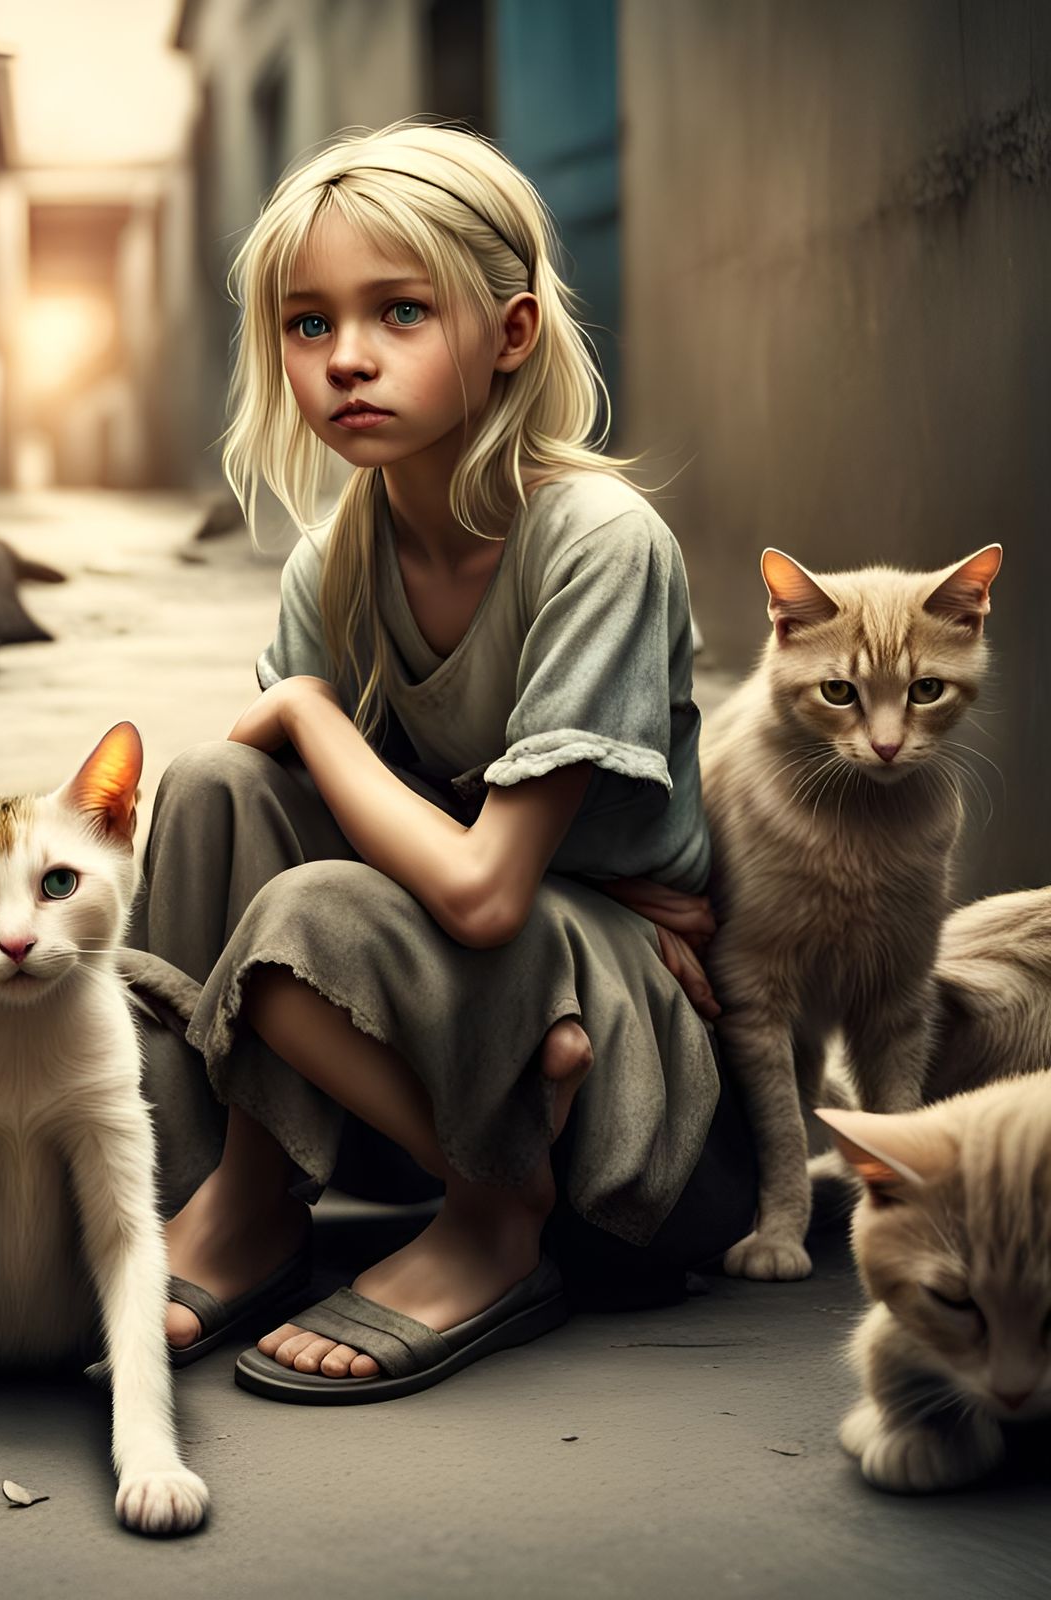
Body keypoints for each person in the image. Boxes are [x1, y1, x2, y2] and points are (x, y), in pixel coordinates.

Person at [130, 121, 756, 1404]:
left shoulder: (598, 540)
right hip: (443, 1034)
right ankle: (233, 1198)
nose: (347, 358)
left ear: (511, 332)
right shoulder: (334, 560)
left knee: (307, 901)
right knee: (210, 790)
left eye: (400, 311)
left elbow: (479, 892)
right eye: (308, 326)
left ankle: (499, 1215)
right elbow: (340, 830)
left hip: (638, 1099)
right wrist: (337, 750)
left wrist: (314, 715)